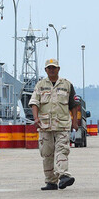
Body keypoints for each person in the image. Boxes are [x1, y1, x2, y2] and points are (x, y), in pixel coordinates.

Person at [29, 59, 79, 191]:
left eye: (54, 68)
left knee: (62, 150)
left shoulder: (67, 85)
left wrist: (75, 121)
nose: (52, 70)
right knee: (47, 154)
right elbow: (34, 102)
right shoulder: (40, 85)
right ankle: (51, 181)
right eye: (49, 68)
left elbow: (74, 105)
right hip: (45, 125)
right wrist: (35, 118)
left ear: (58, 69)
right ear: (46, 70)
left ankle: (63, 176)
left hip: (62, 125)